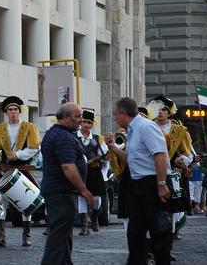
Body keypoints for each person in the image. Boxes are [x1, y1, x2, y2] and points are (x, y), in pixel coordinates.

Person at [105, 97, 172, 265]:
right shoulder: (132, 131)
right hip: (137, 186)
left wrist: (161, 184)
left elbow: (160, 155)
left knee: (158, 233)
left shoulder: (146, 127)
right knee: (134, 233)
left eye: (115, 114)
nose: (114, 118)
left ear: (122, 113)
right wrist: (113, 148)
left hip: (152, 183)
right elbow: (131, 159)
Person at [40, 103, 93, 265]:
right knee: (58, 236)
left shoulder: (53, 133)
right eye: (76, 117)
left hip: (58, 192)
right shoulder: (63, 137)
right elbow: (68, 167)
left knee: (64, 234)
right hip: (61, 193)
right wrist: (84, 190)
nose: (80, 120)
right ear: (64, 118)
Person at [0, 96, 40, 247]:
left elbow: (34, 148)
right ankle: (1, 236)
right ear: (6, 112)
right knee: (2, 200)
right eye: (10, 110)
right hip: (6, 169)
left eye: (15, 110)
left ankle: (26, 235)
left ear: (20, 111)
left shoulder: (29, 127)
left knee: (26, 202)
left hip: (22, 168)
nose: (13, 112)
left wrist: (18, 154)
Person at [76, 110, 108, 235]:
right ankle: (84, 225)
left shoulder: (97, 139)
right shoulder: (74, 137)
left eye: (89, 123)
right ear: (80, 122)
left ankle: (94, 217)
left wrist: (102, 156)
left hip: (94, 171)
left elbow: (103, 154)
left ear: (92, 125)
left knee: (97, 199)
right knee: (81, 198)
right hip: (80, 171)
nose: (86, 125)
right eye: (84, 122)